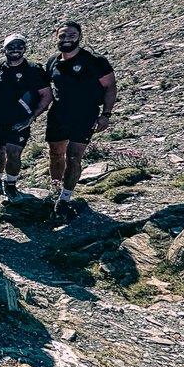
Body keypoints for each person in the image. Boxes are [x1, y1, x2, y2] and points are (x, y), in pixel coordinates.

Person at [45, 22, 117, 221]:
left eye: (71, 35)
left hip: (85, 115)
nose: (66, 39)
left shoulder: (94, 61)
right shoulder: (52, 62)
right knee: (55, 154)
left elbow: (110, 87)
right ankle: (55, 189)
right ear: (56, 37)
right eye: (62, 35)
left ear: (79, 36)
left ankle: (65, 199)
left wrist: (106, 114)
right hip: (58, 115)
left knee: (74, 157)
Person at [0, 34, 53, 203]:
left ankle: (11, 186)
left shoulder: (34, 70)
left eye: (19, 46)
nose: (15, 49)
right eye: (11, 46)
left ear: (24, 48)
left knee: (14, 153)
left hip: (21, 120)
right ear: (4, 49)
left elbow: (46, 95)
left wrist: (33, 117)